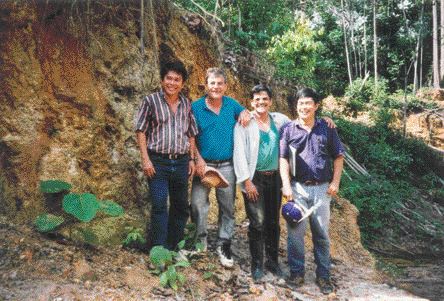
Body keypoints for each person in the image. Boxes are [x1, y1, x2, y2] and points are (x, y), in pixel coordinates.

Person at [279, 87, 345, 294]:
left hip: (322, 190)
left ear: (316, 106)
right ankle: (297, 273)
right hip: (298, 188)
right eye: (300, 103)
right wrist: (287, 184)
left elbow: (338, 157)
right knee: (295, 234)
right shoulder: (289, 129)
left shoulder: (327, 128)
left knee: (321, 234)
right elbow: (282, 159)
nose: (304, 107)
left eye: (308, 103)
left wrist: (335, 182)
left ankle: (324, 276)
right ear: (296, 106)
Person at [135, 60, 198, 251]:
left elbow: (191, 133)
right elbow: (140, 131)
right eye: (168, 78)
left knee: (180, 207)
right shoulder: (151, 101)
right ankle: (158, 250)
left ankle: (174, 247)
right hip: (158, 162)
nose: (172, 83)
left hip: (180, 162)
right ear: (162, 80)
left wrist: (192, 159)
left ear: (183, 83)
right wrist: (145, 159)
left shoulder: (187, 104)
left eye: (177, 79)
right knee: (160, 205)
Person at [191, 67, 250, 268]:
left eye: (219, 83)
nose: (216, 87)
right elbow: (190, 137)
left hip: (227, 165)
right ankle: (200, 241)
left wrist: (245, 112)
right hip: (204, 164)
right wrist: (197, 160)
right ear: (206, 85)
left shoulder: (231, 105)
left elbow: (247, 113)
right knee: (198, 204)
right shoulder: (196, 107)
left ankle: (224, 244)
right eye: (212, 83)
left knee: (227, 208)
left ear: (225, 86)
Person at [233, 84, 290, 281]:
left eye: (265, 99)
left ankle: (273, 262)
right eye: (257, 99)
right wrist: (246, 182)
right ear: (251, 102)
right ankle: (257, 264)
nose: (261, 102)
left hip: (275, 178)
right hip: (254, 178)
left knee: (273, 222)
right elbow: (238, 153)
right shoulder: (245, 123)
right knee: (257, 223)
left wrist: (324, 120)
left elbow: (301, 125)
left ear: (271, 101)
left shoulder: (279, 120)